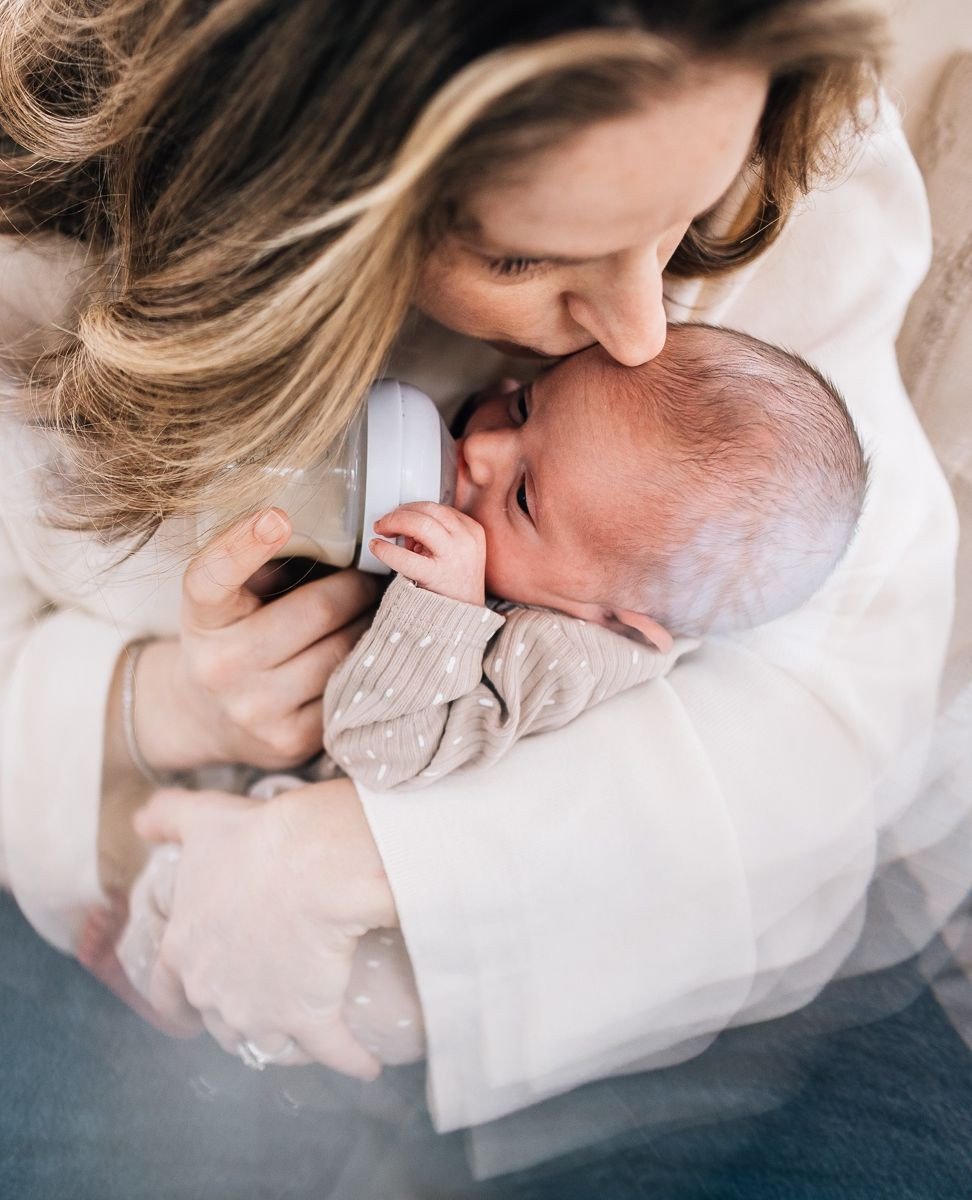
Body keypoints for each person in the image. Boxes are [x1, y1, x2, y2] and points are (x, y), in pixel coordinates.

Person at [0, 0, 958, 1181]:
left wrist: (355, 858)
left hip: (629, 949)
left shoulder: (754, 117)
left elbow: (840, 698)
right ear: (289, 210)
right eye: (524, 255)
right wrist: (165, 706)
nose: (642, 327)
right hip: (114, 854)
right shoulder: (42, 260)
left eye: (686, 215)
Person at [325, 325, 868, 791]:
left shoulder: (559, 655)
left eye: (522, 498)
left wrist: (443, 614)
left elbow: (377, 754)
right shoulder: (576, 535)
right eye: (523, 407)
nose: (480, 448)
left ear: (613, 620)